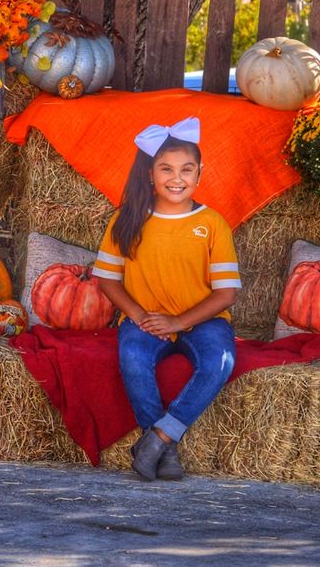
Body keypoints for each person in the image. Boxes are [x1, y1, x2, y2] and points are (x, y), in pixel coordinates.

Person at [92, 117, 241, 481]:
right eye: (167, 169)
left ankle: (159, 437)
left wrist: (179, 322)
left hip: (202, 321)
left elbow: (226, 292)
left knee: (219, 360)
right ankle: (165, 451)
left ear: (200, 174)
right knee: (132, 356)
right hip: (145, 318)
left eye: (186, 170)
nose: (177, 178)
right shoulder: (127, 220)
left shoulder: (212, 223)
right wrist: (140, 315)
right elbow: (108, 280)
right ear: (150, 174)